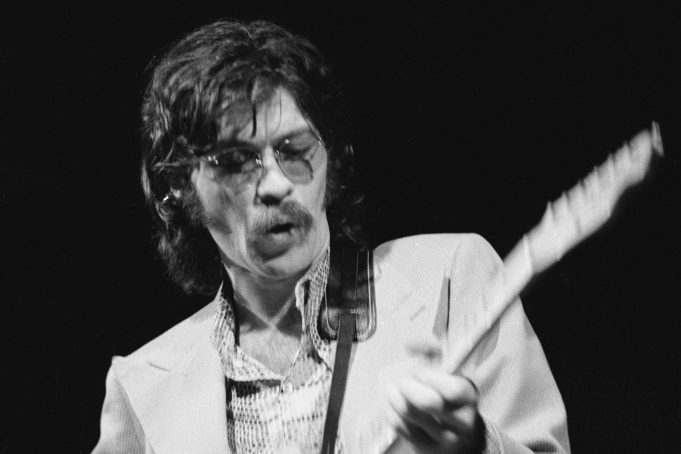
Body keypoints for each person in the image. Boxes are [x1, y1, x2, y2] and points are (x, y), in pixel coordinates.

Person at [93, 19, 570, 454]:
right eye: (236, 161)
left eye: (294, 149)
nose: (277, 183)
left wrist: (476, 446)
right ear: (177, 188)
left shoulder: (449, 277)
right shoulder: (141, 389)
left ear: (331, 157)